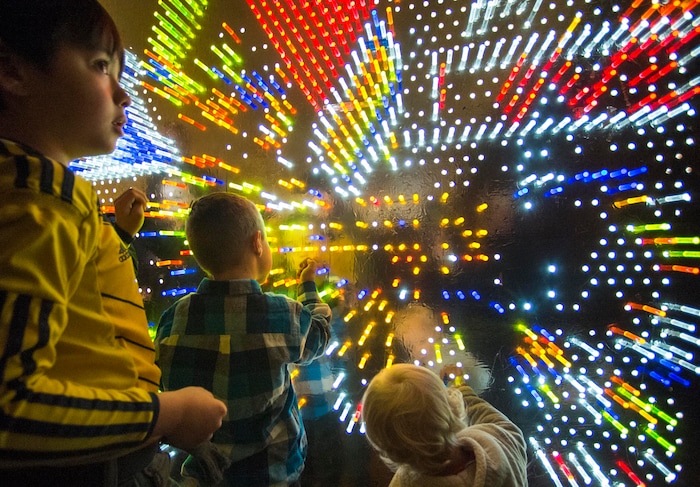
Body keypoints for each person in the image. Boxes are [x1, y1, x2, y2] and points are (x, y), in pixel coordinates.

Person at [0, 1, 227, 485]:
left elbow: (74, 297)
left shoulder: (39, 195)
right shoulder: (41, 195)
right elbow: (9, 406)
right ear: (11, 71)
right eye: (101, 66)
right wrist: (168, 414)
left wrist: (119, 235)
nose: (123, 94)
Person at [155, 192, 332, 487]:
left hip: (205, 477)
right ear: (257, 242)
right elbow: (319, 337)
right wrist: (308, 287)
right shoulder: (282, 315)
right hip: (274, 475)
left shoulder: (174, 319)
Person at [361, 364, 528, 487]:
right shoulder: (503, 445)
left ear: (387, 450)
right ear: (454, 407)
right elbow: (502, 425)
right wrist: (463, 390)